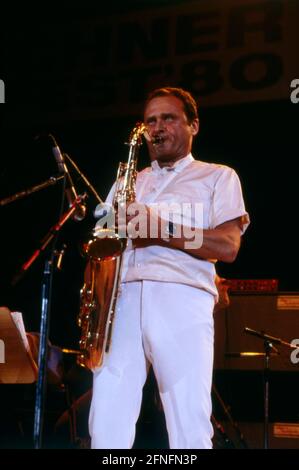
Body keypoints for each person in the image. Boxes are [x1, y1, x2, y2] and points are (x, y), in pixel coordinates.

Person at [89, 87, 249, 449]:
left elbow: (227, 246)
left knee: (188, 423)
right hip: (120, 300)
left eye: (168, 118)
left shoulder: (218, 177)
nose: (157, 128)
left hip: (182, 299)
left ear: (194, 125)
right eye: (150, 121)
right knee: (105, 424)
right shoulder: (129, 182)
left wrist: (163, 230)